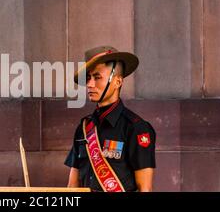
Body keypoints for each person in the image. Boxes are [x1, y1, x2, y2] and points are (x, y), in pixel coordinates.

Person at [64, 45, 156, 192]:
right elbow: (72, 186)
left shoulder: (136, 127)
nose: (89, 84)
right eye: (88, 78)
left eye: (97, 77)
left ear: (118, 82)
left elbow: (145, 188)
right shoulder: (84, 128)